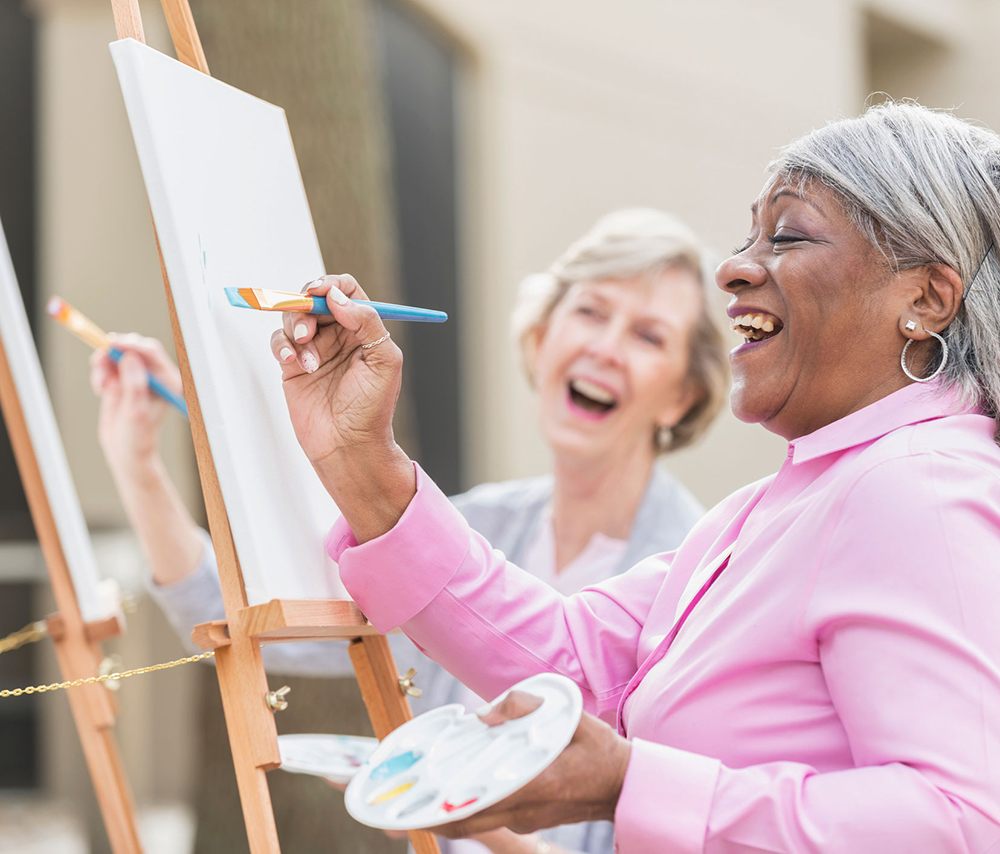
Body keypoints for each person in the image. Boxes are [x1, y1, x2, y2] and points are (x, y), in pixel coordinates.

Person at [269, 101, 1000, 853]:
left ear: (924, 300)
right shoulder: (769, 508)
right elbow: (576, 663)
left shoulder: (918, 486)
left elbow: (964, 824)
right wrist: (362, 461)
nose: (734, 266)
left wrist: (629, 784)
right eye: (751, 233)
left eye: (786, 235)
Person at [91, 209, 728, 854]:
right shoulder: (464, 530)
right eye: (590, 312)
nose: (606, 348)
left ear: (684, 396)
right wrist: (139, 466)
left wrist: (453, 804)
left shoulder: (696, 583)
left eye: (648, 336)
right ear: (541, 337)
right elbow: (243, 618)